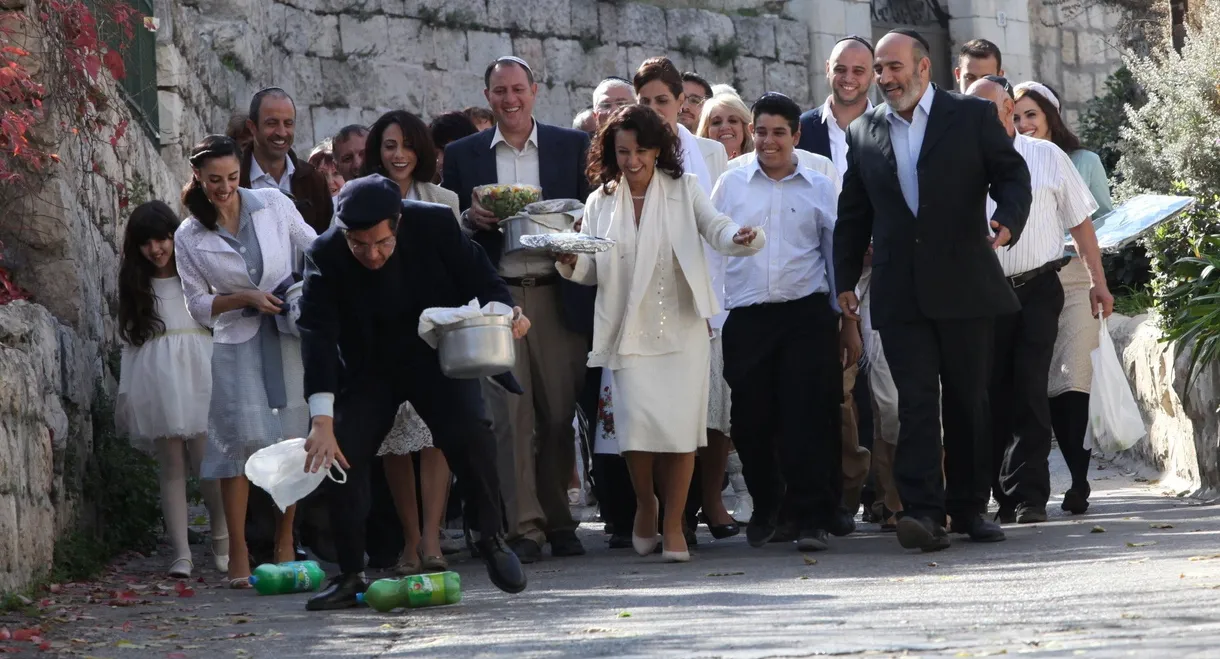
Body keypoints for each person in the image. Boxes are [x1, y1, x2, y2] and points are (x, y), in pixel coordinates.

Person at [833, 29, 1032, 552]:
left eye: (893, 67)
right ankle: (923, 511)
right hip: (900, 291)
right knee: (915, 400)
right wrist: (845, 280)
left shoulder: (968, 117)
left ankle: (968, 508)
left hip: (964, 284)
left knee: (968, 400)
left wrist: (1007, 220)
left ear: (923, 68)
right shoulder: (864, 131)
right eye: (879, 68)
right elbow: (853, 215)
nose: (884, 78)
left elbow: (1012, 176)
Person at [296, 174, 530, 609]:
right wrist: (321, 420)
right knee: (341, 451)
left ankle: (492, 539)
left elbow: (483, 278)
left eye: (381, 243)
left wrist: (506, 314)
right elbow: (317, 336)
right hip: (368, 368)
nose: (372, 254)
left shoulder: (436, 224)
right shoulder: (324, 254)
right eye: (359, 245)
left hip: (433, 356)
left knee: (471, 432)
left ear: (398, 223)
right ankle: (350, 572)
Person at [556, 104, 762, 562]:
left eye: (641, 151)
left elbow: (717, 228)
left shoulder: (685, 188)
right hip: (627, 329)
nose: (632, 161)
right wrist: (570, 261)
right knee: (635, 431)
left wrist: (741, 238)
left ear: (658, 150)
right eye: (623, 151)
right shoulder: (599, 200)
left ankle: (672, 523)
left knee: (680, 432)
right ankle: (645, 503)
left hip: (683, 327)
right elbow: (590, 265)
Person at [442, 55, 593, 563]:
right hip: (497, 296)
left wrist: (570, 238)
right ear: (487, 97)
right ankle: (523, 526)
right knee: (509, 417)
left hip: (556, 290)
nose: (509, 100)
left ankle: (557, 517)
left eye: (517, 90)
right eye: (499, 91)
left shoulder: (571, 146)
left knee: (556, 414)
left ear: (535, 90)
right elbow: (454, 232)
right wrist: (469, 217)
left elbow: (591, 222)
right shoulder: (463, 155)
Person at [967, 76, 1112, 524]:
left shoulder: (1046, 156)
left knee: (1030, 385)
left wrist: (1097, 282)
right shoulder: (960, 161)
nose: (982, 119)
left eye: (991, 108)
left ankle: (1029, 495)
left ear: (1009, 107)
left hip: (1038, 288)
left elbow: (1082, 225)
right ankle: (997, 493)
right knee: (992, 391)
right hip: (983, 295)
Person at [174, 135, 319, 586]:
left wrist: (298, 290)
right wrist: (241, 297)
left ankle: (285, 538)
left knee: (291, 440)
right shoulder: (189, 234)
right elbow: (197, 304)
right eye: (214, 180)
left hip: (285, 336)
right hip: (236, 341)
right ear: (198, 177)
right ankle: (237, 551)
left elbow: (315, 247)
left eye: (232, 178)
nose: (225, 188)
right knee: (236, 443)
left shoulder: (273, 203)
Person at [714, 92, 846, 551]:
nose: (768, 142)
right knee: (751, 421)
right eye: (761, 131)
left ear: (796, 135)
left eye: (778, 133)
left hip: (805, 314)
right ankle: (769, 506)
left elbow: (834, 256)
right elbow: (712, 244)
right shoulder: (730, 183)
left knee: (806, 416)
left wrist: (844, 318)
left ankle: (810, 516)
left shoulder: (820, 186)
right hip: (747, 316)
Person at [633, 57, 738, 545]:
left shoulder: (712, 153)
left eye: (662, 100)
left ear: (683, 103)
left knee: (712, 409)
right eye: (645, 102)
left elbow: (722, 218)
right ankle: (661, 510)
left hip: (709, 293)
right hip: (649, 300)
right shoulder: (629, 153)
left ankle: (710, 499)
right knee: (657, 411)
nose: (654, 109)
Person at [360, 109, 461, 575]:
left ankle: (432, 539)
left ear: (421, 150)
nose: (398, 155)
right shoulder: (358, 198)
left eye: (406, 145)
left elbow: (459, 263)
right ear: (377, 153)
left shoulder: (444, 200)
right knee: (396, 442)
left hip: (435, 331)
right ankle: (408, 541)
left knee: (435, 437)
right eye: (388, 145)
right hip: (382, 333)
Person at [1013, 80, 1115, 515]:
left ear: (1051, 117)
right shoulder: (1004, 160)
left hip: (1076, 281)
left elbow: (1106, 220)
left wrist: (1095, 270)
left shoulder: (1083, 161)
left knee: (1074, 380)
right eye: (1015, 116)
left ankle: (1077, 480)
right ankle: (1022, 485)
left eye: (1031, 115)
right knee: (1035, 381)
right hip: (1030, 283)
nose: (1024, 124)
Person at [116, 200, 227, 579]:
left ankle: (222, 537)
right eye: (147, 243)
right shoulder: (137, 285)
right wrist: (127, 392)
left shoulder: (193, 274)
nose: (156, 249)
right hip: (158, 377)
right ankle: (181, 551)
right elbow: (130, 341)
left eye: (162, 239)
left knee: (207, 462)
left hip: (199, 369)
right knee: (171, 466)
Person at [796, 35, 877, 525]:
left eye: (859, 71)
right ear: (827, 69)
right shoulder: (801, 129)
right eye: (840, 69)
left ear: (872, 75)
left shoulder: (892, 126)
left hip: (883, 271)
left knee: (883, 389)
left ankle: (884, 495)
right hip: (822, 275)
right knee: (834, 387)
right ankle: (842, 495)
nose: (849, 79)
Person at [240, 88, 333, 234]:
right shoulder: (233, 178)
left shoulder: (314, 180)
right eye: (272, 123)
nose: (282, 132)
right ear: (252, 127)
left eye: (288, 123)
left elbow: (321, 241)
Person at [698, 92, 754, 160]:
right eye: (716, 122)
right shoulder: (695, 166)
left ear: (746, 128)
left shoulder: (762, 166)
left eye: (732, 121)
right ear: (706, 130)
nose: (725, 127)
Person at [429, 111, 479, 182]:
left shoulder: (492, 189)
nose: (440, 161)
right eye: (435, 155)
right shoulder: (427, 191)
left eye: (448, 152)